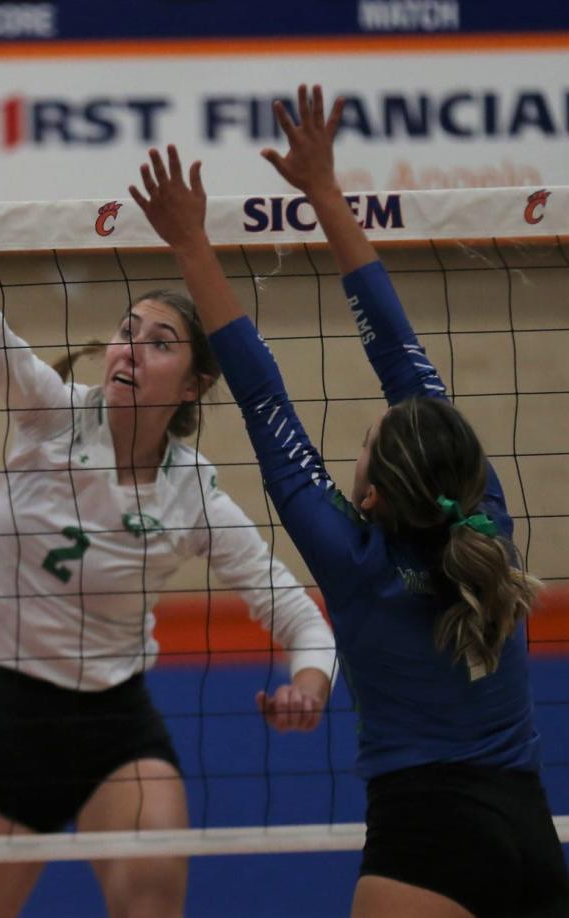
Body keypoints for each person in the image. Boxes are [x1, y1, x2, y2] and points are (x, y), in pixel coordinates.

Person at [129, 87, 569, 917]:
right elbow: (401, 354)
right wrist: (325, 193)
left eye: (367, 439)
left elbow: (264, 399)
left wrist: (191, 245)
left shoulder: (359, 563)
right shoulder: (488, 517)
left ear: (366, 496)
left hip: (425, 844)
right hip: (531, 839)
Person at [0, 251, 337, 917]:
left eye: (159, 343)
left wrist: (309, 684)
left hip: (116, 727)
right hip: (13, 723)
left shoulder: (194, 492)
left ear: (192, 386)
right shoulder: (51, 415)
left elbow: (301, 618)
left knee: (151, 899)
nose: (131, 349)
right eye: (127, 331)